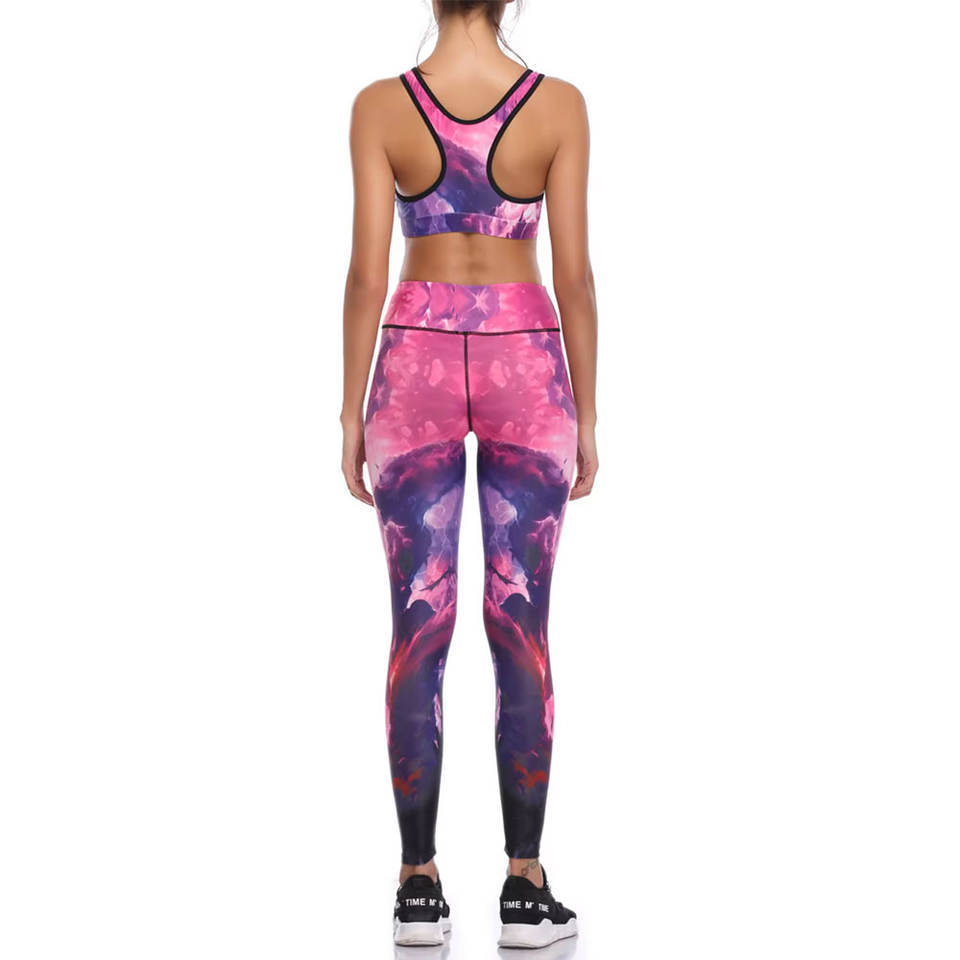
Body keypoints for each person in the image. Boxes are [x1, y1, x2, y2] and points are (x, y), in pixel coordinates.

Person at [340, 0, 597, 948]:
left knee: (419, 628)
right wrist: (590, 415)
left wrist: (348, 410)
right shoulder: (558, 105)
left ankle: (417, 886)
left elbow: (367, 276)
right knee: (519, 627)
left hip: (412, 357)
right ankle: (525, 887)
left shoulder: (381, 106)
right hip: (525, 357)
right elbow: (576, 276)